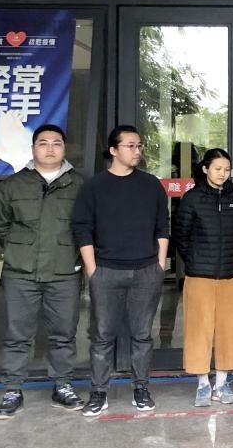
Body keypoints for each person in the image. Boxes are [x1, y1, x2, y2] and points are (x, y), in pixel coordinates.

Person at [72, 125, 169, 417]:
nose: (137, 151)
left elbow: (162, 226)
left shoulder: (151, 185)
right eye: (130, 146)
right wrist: (92, 269)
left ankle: (141, 387)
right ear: (113, 150)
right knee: (102, 336)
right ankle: (99, 392)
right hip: (107, 271)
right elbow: (82, 228)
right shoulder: (94, 186)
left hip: (146, 271)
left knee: (142, 335)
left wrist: (159, 264)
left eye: (139, 146)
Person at [0, 124, 85, 419]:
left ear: (64, 148)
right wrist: (20, 250)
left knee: (63, 333)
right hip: (21, 272)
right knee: (18, 334)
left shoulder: (80, 186)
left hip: (64, 270)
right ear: (33, 148)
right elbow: (0, 226)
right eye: (43, 143)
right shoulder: (12, 185)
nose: (50, 148)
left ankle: (62, 385)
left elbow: (87, 227)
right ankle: (12, 389)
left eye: (57, 143)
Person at [173, 148, 233, 407]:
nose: (222, 174)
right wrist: (195, 260)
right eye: (217, 169)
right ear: (205, 169)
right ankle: (203, 384)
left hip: (229, 274)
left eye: (226, 170)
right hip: (199, 275)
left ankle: (222, 383)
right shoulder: (192, 198)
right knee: (199, 329)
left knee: (229, 329)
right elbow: (181, 236)